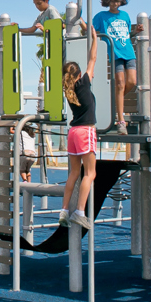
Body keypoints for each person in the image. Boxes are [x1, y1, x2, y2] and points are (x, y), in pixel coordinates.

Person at [59, 26, 98, 230]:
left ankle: (64, 210)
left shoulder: (69, 90)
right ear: (79, 74)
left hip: (73, 132)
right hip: (86, 131)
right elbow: (93, 59)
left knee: (74, 173)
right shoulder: (83, 83)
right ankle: (80, 212)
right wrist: (95, 39)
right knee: (90, 174)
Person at [92, 0, 143, 135]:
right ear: (107, 1)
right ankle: (121, 120)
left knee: (132, 82)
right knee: (120, 84)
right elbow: (92, 32)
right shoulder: (101, 16)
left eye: (118, 1)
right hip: (115, 53)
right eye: (112, 1)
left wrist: (136, 31)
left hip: (128, 52)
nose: (115, 4)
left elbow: (126, 35)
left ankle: (113, 102)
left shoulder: (125, 15)